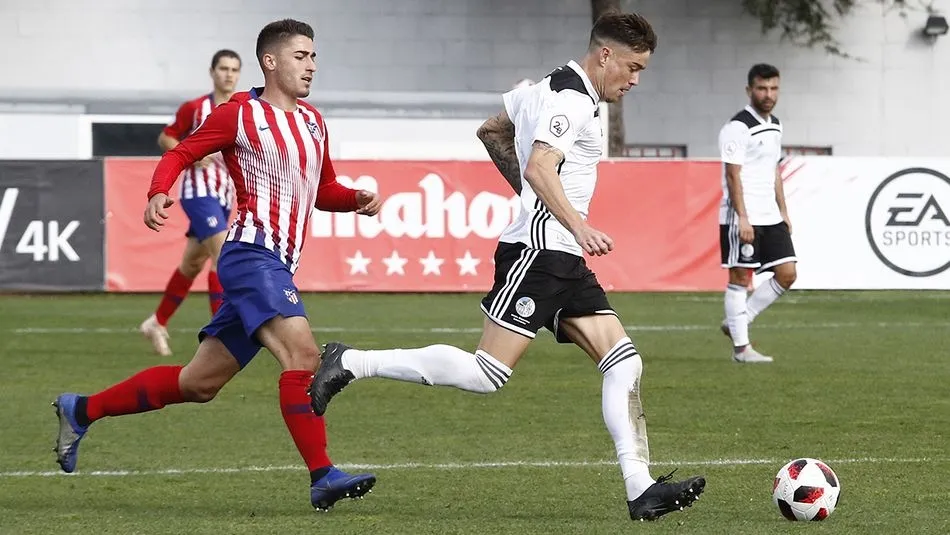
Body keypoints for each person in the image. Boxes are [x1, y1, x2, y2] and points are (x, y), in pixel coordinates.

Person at [309, 12, 705, 522]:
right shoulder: (571, 99)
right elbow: (541, 165)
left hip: (560, 254)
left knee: (623, 360)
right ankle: (349, 361)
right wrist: (573, 222)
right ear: (605, 54)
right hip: (543, 251)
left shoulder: (543, 87)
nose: (635, 79)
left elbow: (491, 130)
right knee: (486, 373)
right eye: (633, 67)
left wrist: (538, 200)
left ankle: (640, 488)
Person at [53, 19, 383, 511]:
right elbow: (183, 152)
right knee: (304, 357)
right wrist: (158, 192)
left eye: (314, 56)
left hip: (276, 265)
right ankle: (322, 475)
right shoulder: (239, 114)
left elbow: (322, 191)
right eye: (300, 56)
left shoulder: (314, 121)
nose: (311, 65)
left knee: (198, 384)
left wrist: (356, 198)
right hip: (252, 255)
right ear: (270, 62)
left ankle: (81, 409)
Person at [140, 49, 242, 357]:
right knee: (221, 254)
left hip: (224, 195)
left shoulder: (244, 109)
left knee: (193, 263)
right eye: (223, 68)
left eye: (234, 69)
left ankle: (157, 322)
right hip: (198, 194)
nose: (228, 74)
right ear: (212, 72)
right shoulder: (196, 108)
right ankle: (222, 334)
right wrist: (190, 152)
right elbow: (166, 138)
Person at [717, 63, 796, 363]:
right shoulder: (737, 127)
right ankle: (741, 349)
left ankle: (739, 321)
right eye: (762, 88)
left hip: (770, 214)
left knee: (788, 273)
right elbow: (732, 175)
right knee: (740, 277)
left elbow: (774, 170)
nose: (768, 94)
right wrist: (743, 217)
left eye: (774, 88)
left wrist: (784, 211)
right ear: (749, 90)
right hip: (743, 215)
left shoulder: (775, 124)